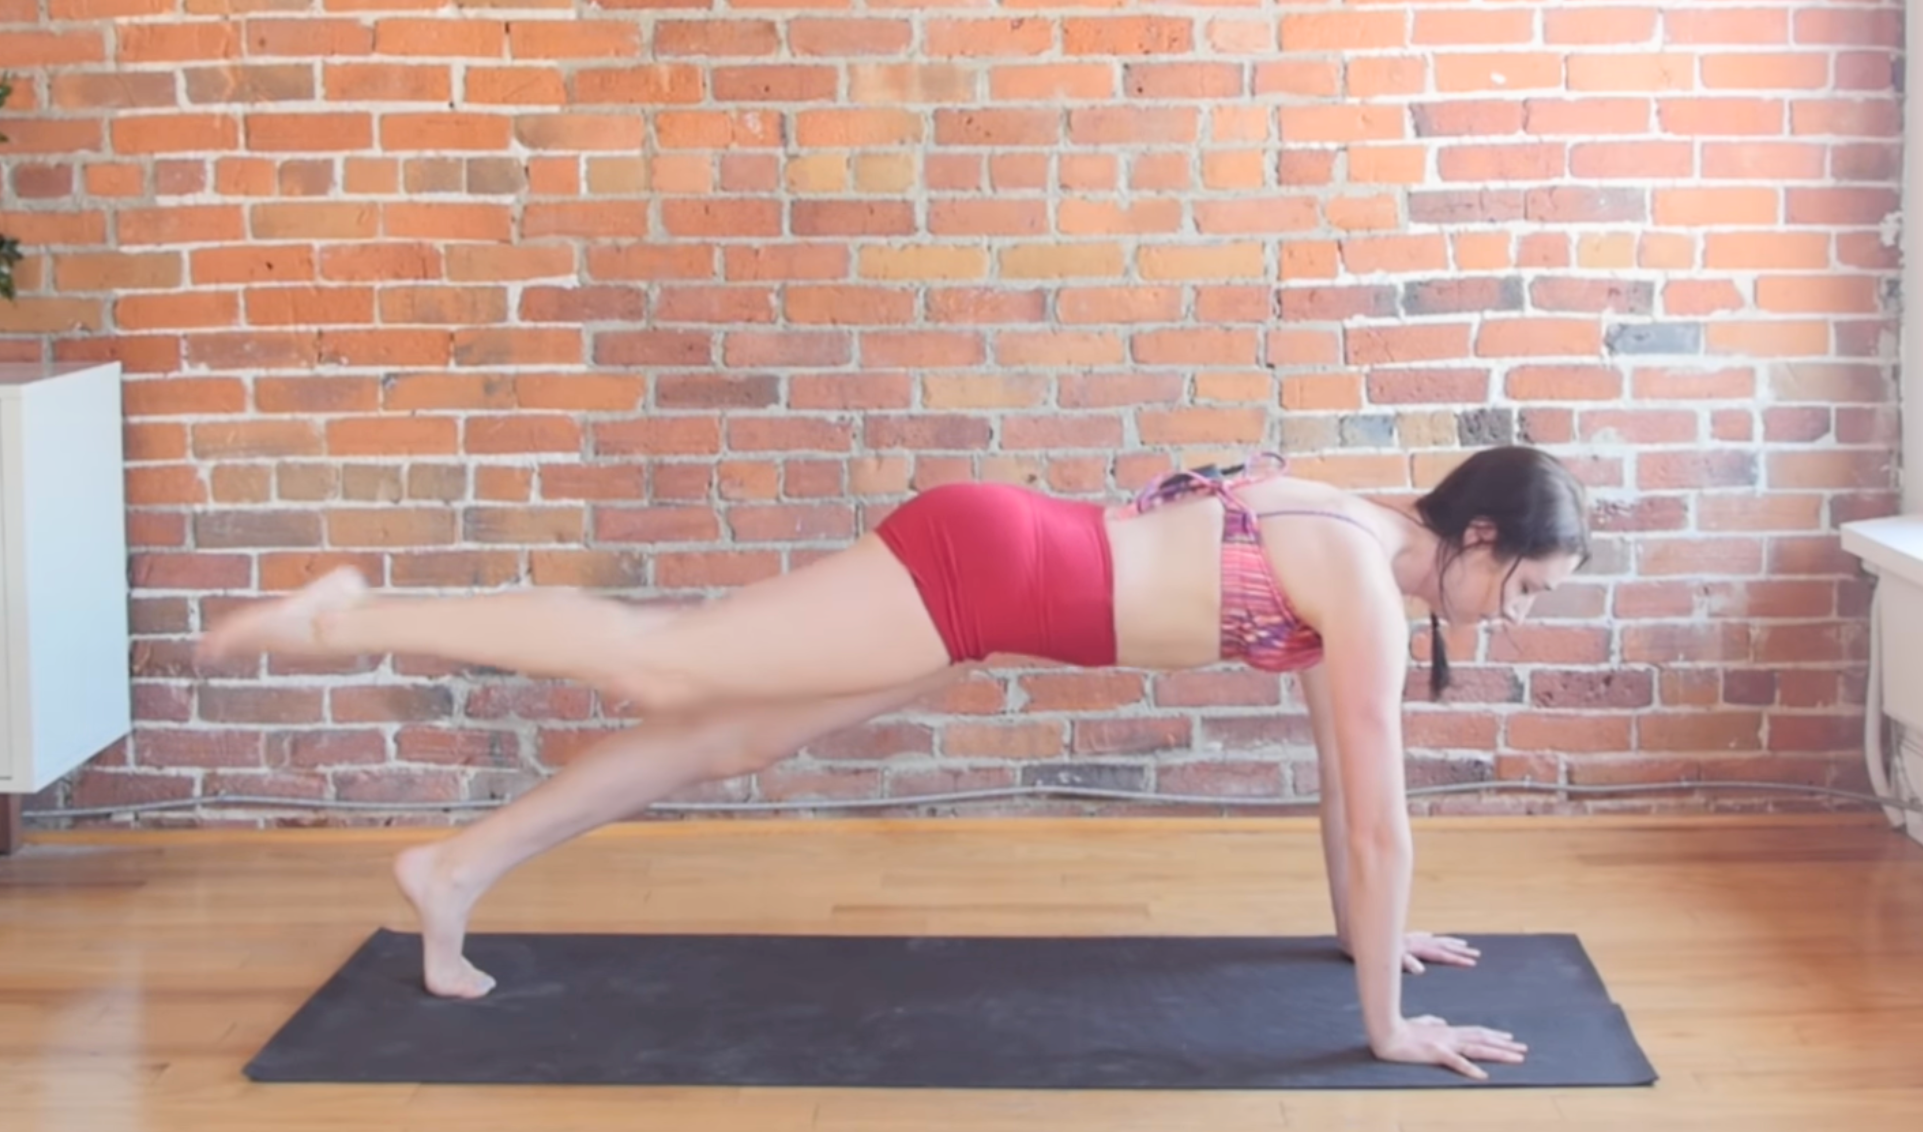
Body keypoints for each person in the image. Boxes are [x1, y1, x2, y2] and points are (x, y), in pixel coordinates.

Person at [196, 443, 1591, 1081]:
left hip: (994, 595)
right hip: (977, 565)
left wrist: (1379, 936)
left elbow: (1349, 809)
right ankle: (350, 610)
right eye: (1526, 588)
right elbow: (1381, 823)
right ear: (1480, 540)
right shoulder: (1359, 578)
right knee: (663, 661)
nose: (1515, 618)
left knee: (729, 732)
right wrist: (1386, 1022)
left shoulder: (1356, 537)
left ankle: (457, 866)